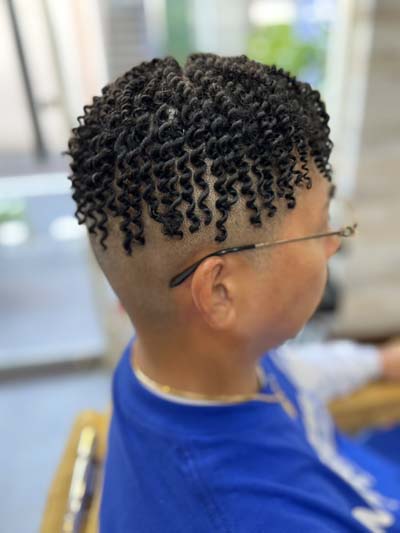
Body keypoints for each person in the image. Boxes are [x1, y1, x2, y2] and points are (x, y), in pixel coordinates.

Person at [65, 53, 400, 532]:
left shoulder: (175, 361)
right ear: (220, 292)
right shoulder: (248, 517)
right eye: (320, 226)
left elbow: (290, 376)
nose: (334, 243)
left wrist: (377, 363)